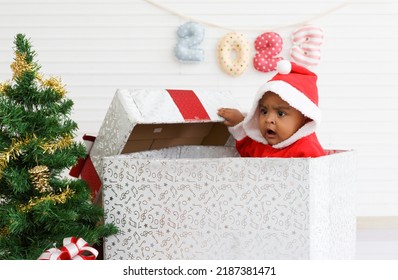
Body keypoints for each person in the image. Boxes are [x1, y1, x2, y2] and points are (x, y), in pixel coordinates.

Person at [217, 60, 326, 158]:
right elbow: (247, 148)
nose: (269, 119)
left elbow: (318, 174)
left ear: (304, 118)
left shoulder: (307, 149)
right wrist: (239, 122)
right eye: (264, 111)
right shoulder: (260, 145)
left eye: (280, 113)